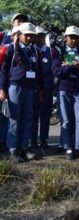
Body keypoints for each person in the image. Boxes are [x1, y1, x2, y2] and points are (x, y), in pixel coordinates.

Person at [0, 22, 42, 162]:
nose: (29, 38)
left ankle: (24, 147)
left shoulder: (35, 50)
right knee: (14, 118)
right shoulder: (10, 49)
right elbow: (4, 71)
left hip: (30, 88)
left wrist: (39, 89)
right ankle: (13, 149)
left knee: (28, 117)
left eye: (31, 35)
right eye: (27, 35)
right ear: (19, 35)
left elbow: (39, 71)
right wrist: (2, 89)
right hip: (15, 86)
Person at [52, 26, 79, 160]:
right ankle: (68, 147)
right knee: (66, 120)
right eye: (72, 37)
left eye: (76, 37)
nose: (74, 40)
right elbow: (57, 71)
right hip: (64, 89)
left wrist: (70, 67)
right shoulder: (59, 52)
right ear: (65, 38)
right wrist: (72, 67)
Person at [30, 26, 55, 149]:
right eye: (37, 35)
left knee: (45, 115)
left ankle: (44, 140)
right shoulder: (30, 50)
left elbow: (54, 70)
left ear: (44, 37)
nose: (39, 37)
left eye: (41, 35)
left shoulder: (51, 51)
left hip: (47, 88)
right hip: (33, 89)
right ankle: (32, 140)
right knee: (33, 115)